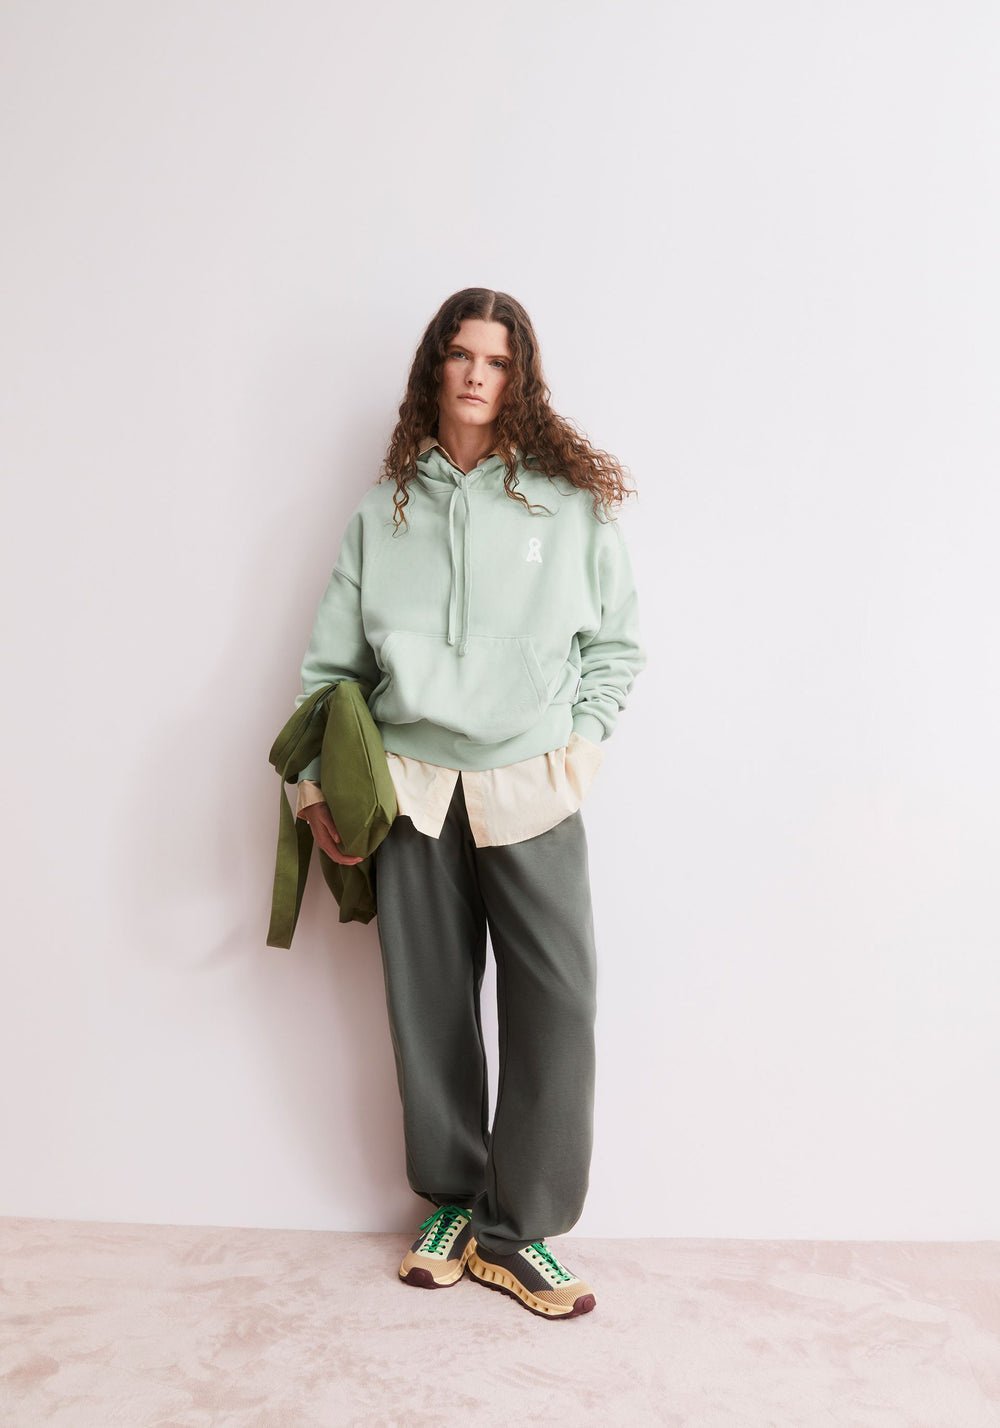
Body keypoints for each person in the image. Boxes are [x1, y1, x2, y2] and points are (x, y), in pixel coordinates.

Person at [292, 287, 646, 1321]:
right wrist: (314, 788)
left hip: (531, 786)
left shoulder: (567, 504)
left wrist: (578, 751)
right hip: (410, 792)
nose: (477, 374)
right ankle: (450, 1200)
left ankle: (517, 1227)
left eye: (496, 359)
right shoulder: (382, 511)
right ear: (434, 369)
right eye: (460, 354)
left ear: (519, 375)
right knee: (430, 1007)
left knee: (558, 1007)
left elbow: (616, 646)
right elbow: (332, 669)